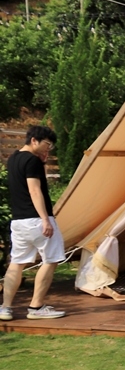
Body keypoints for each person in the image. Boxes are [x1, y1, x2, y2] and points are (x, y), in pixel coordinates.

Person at [1, 126, 67, 321]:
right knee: (51, 259)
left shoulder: (13, 159)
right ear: (34, 140)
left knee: (17, 262)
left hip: (19, 221)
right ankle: (36, 307)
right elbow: (34, 191)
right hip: (37, 219)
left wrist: (42, 163)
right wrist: (45, 219)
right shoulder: (32, 161)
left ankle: (5, 308)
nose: (49, 148)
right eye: (47, 144)